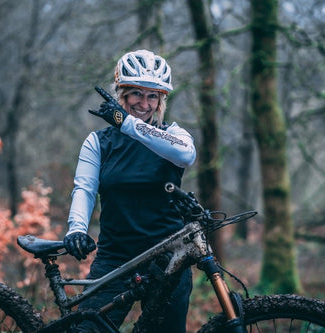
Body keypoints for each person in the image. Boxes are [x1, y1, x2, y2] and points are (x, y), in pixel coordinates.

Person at [63, 49, 196, 332]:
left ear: (161, 100)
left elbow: (186, 155)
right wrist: (76, 228)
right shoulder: (98, 142)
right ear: (120, 94)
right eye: (135, 93)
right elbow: (84, 189)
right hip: (115, 257)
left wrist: (126, 123)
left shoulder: (174, 136)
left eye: (152, 96)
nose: (143, 103)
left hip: (168, 258)